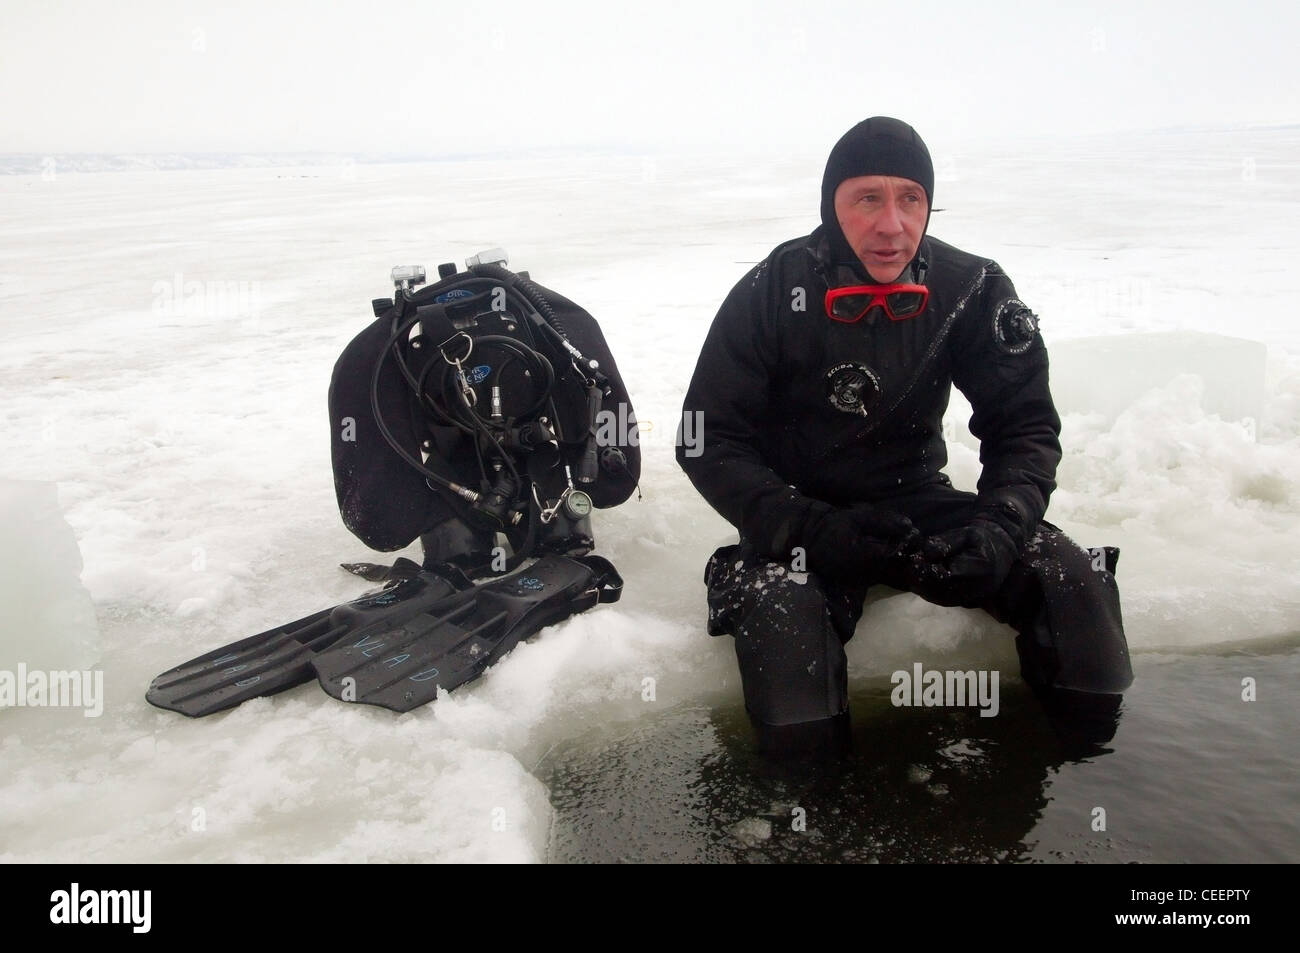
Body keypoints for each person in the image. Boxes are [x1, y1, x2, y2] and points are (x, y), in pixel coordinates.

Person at [676, 117, 1132, 757]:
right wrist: (806, 529)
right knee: (786, 624)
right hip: (805, 515)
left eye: (910, 199)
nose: (892, 224)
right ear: (833, 206)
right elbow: (705, 438)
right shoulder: (774, 291)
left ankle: (1088, 758)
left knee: (1071, 578)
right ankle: (810, 816)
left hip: (917, 499)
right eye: (868, 199)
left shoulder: (971, 288)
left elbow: (1024, 426)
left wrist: (1002, 524)